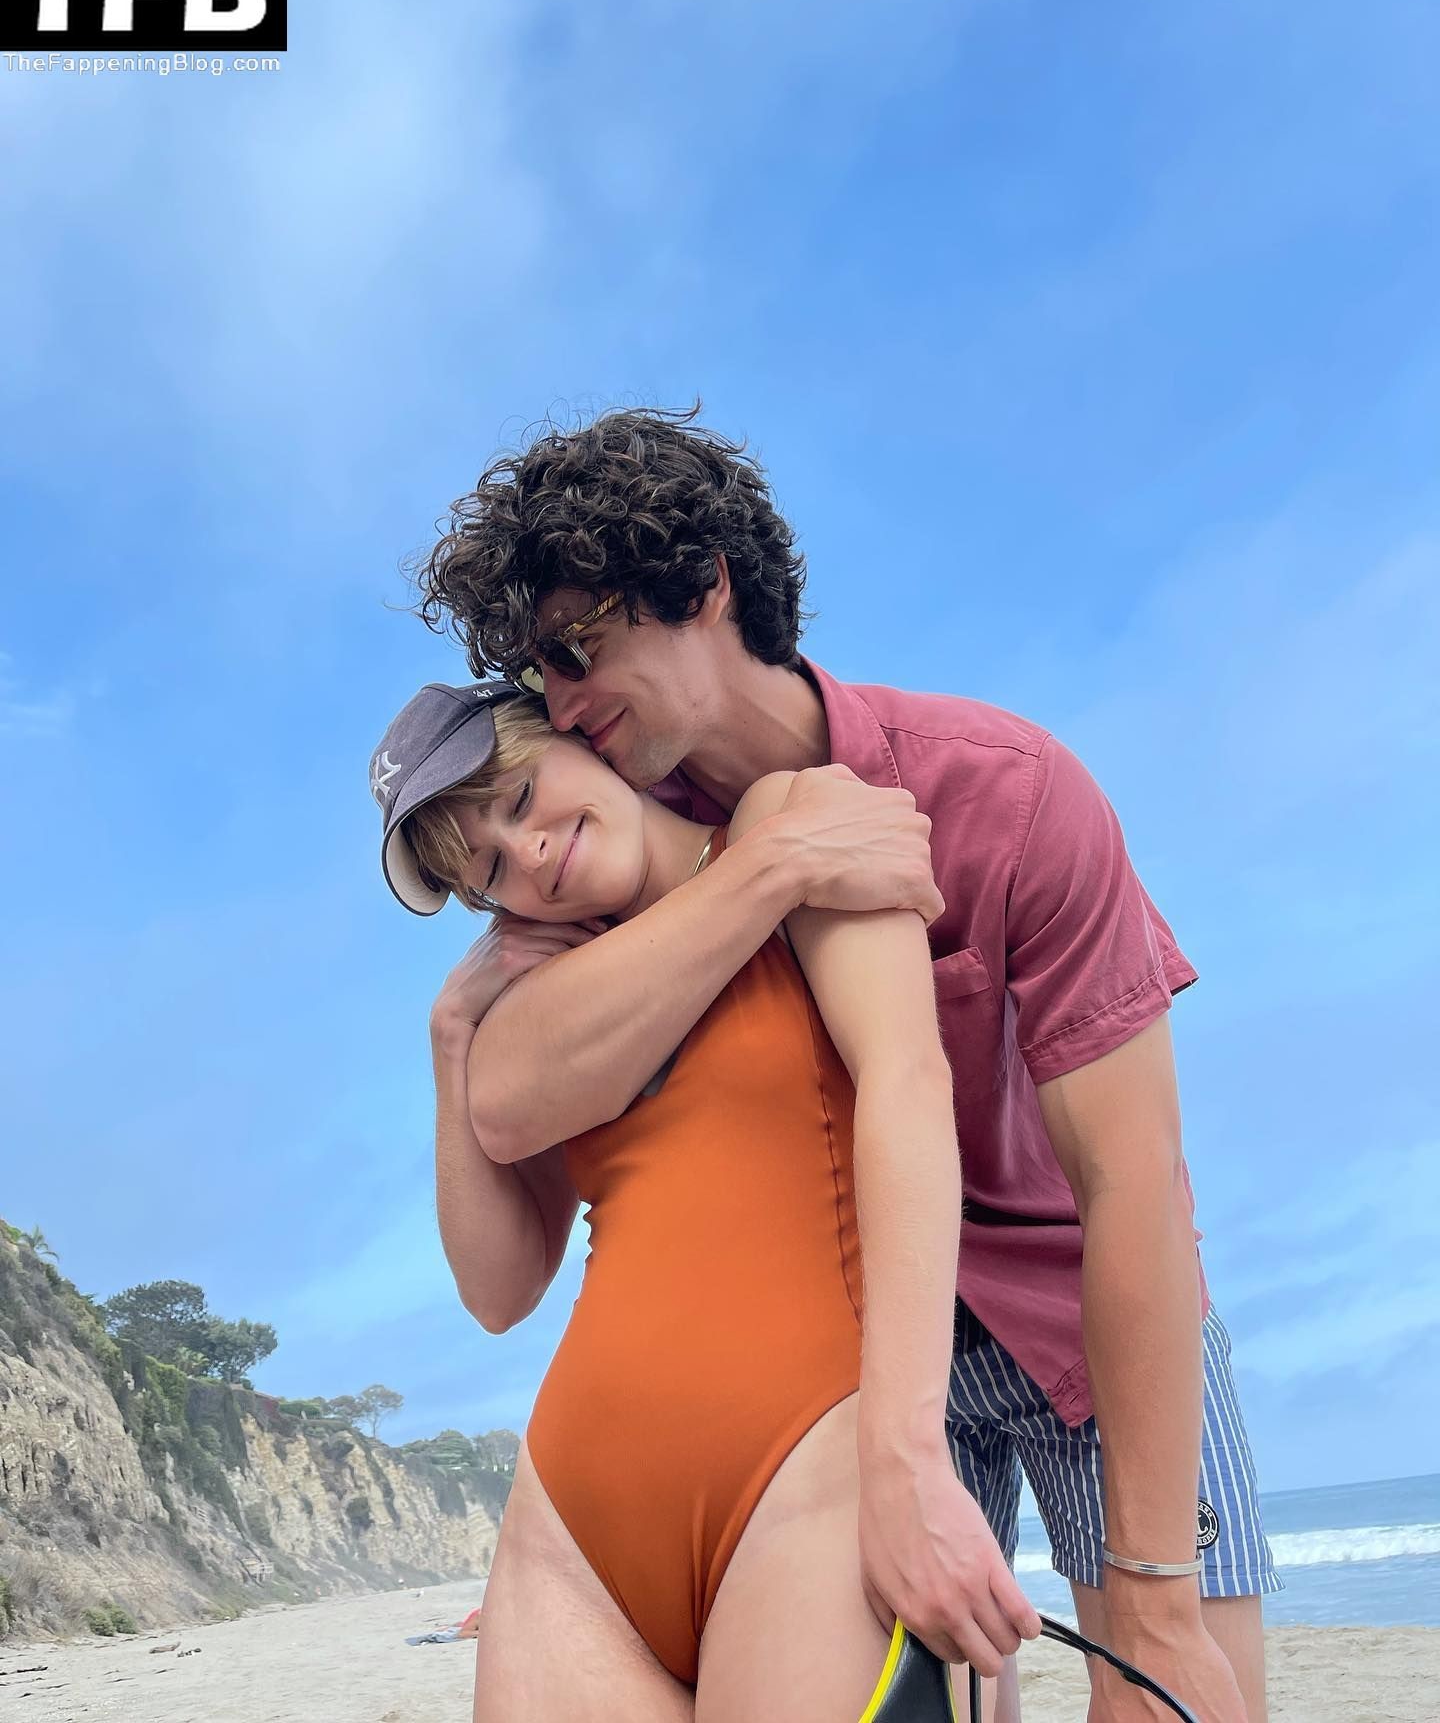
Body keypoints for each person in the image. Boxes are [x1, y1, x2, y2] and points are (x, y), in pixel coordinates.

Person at [410, 406, 1279, 1723]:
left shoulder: (1011, 796)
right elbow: (529, 1120)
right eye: (543, 677)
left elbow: (1134, 1185)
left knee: (1183, 1694)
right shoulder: (623, 864)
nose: (565, 704)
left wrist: (1154, 1600)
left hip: (1085, 1306)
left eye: (580, 652)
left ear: (702, 586)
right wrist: (764, 870)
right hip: (855, 1356)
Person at [371, 679, 1040, 1720]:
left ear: (576, 736)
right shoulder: (544, 1002)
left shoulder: (787, 812)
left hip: (811, 1481)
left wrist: (913, 1458)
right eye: (491, 869)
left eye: (520, 796)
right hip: (575, 1546)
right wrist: (448, 1033)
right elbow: (498, 1291)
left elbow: (910, 1087)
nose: (529, 853)